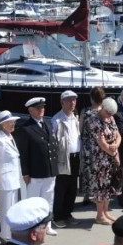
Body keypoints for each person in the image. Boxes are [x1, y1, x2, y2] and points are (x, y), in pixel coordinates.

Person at [15, 97, 60, 235]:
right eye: (38, 108)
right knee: (34, 202)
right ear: (30, 110)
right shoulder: (25, 128)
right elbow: (24, 153)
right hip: (36, 171)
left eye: (43, 107)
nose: (42, 110)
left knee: (48, 199)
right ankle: (33, 227)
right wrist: (26, 173)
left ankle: (47, 225)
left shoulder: (47, 124)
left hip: (50, 170)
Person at [85, 97, 123, 225]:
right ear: (102, 108)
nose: (109, 116)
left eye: (111, 114)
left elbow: (118, 135)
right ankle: (100, 215)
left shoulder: (110, 118)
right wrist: (113, 152)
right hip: (99, 160)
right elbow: (101, 143)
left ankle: (105, 212)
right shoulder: (93, 120)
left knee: (108, 186)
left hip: (110, 157)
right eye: (108, 113)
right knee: (100, 187)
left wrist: (116, 146)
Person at [0, 110, 22, 242]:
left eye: (13, 121)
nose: (13, 124)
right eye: (10, 122)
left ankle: (10, 233)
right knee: (6, 209)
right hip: (5, 180)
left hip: (13, 179)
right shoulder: (0, 141)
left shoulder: (9, 137)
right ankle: (5, 235)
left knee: (12, 209)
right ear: (2, 125)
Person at [51, 90, 81, 228]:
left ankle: (68, 213)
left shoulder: (75, 118)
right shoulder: (56, 120)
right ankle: (58, 216)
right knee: (61, 187)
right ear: (62, 102)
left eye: (74, 100)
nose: (72, 103)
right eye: (69, 100)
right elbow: (53, 142)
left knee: (72, 187)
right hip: (63, 158)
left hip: (75, 157)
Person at [79, 87, 106, 208]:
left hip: (87, 146)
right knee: (99, 172)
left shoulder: (85, 111)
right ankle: (97, 196)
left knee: (87, 170)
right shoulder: (104, 112)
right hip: (101, 146)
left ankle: (86, 196)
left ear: (91, 98)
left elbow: (79, 129)